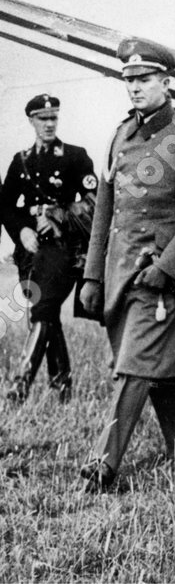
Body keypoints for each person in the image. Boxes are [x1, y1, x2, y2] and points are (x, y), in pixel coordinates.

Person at [79, 38, 175, 490]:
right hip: (120, 273)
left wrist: (167, 267)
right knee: (161, 369)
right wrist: (92, 275)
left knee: (136, 365)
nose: (135, 87)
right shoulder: (120, 135)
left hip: (161, 280)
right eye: (129, 80)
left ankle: (103, 464)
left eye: (144, 79)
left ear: (166, 82)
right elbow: (105, 211)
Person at [2, 93, 96, 403]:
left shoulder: (75, 157)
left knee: (42, 309)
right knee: (47, 313)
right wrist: (22, 231)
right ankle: (62, 388)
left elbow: (94, 203)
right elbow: (5, 205)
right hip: (30, 251)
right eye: (43, 119)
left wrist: (59, 215)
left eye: (53, 117)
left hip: (63, 247)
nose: (49, 124)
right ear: (31, 121)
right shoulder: (22, 161)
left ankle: (20, 384)